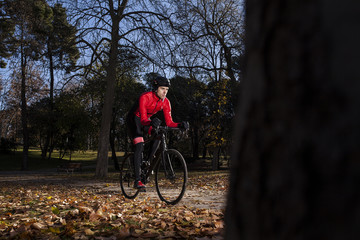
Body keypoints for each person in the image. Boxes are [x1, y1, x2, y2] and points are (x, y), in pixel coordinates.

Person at [126, 74, 189, 190]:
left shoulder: (166, 102)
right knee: (139, 144)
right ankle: (137, 180)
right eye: (162, 89)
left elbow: (169, 123)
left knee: (159, 135)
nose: (165, 92)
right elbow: (144, 119)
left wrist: (180, 124)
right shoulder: (145, 97)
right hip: (134, 120)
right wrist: (151, 122)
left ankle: (147, 162)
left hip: (146, 121)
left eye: (167, 90)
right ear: (156, 89)